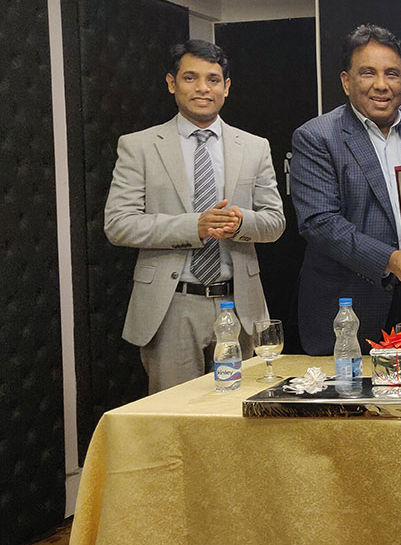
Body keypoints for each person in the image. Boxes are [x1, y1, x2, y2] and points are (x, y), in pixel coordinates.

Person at [104, 39, 285, 393]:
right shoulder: (139, 146)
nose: (203, 88)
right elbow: (119, 224)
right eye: (191, 78)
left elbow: (275, 222)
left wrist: (241, 223)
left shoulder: (254, 146)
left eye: (213, 79)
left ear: (226, 87)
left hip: (238, 304)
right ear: (171, 83)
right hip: (172, 305)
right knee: (176, 412)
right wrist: (194, 227)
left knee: (237, 409)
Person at [291, 24, 401, 355]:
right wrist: (388, 259)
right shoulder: (317, 137)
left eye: (392, 74)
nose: (382, 85)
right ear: (346, 81)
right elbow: (320, 222)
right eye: (368, 73)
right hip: (355, 302)